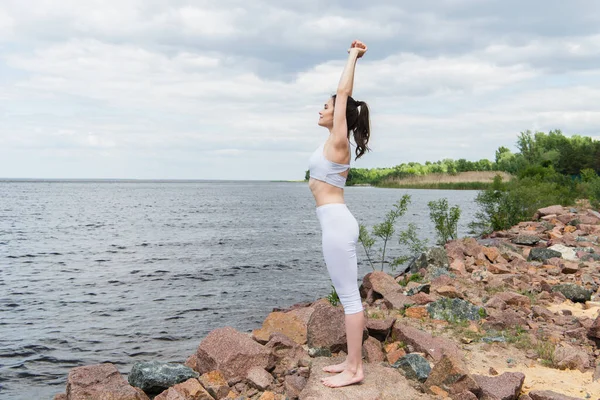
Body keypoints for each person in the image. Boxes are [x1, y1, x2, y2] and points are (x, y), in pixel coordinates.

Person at [307, 39, 371, 388]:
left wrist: (352, 56)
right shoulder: (329, 142)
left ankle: (355, 370)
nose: (321, 109)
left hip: (336, 225)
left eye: (326, 105)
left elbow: (344, 91)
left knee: (349, 297)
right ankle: (350, 360)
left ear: (339, 113)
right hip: (333, 223)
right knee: (347, 295)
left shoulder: (339, 141)